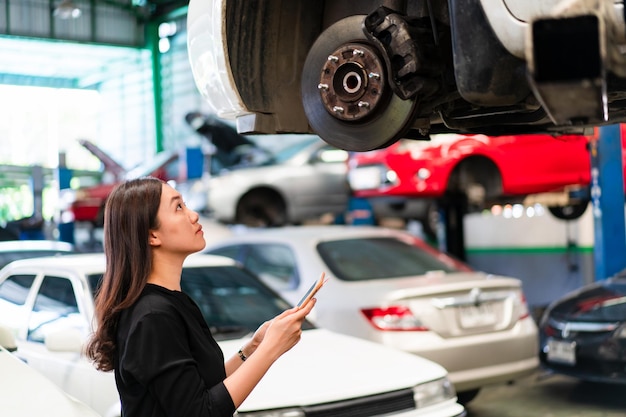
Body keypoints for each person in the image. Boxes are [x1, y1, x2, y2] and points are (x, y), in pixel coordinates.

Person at [86, 176, 315, 417]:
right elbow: (200, 412)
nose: (193, 215)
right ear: (152, 236)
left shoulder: (171, 301)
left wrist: (253, 348)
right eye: (178, 207)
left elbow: (201, 389)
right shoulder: (153, 316)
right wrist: (271, 349)